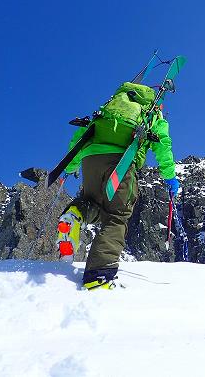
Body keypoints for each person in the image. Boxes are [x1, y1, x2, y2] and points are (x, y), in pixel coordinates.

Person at [56, 81, 180, 290]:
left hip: (90, 160)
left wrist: (70, 166)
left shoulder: (110, 107)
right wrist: (170, 177)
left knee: (91, 202)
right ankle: (98, 276)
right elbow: (162, 145)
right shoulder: (151, 113)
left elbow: (83, 135)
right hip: (121, 163)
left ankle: (76, 213)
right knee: (116, 216)